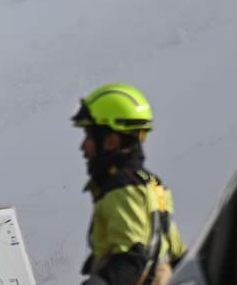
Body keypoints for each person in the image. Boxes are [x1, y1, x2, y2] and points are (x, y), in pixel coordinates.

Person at [72, 84, 184, 284]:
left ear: (111, 141)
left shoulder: (122, 189)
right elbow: (177, 255)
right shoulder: (153, 186)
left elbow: (132, 258)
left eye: (88, 136)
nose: (83, 146)